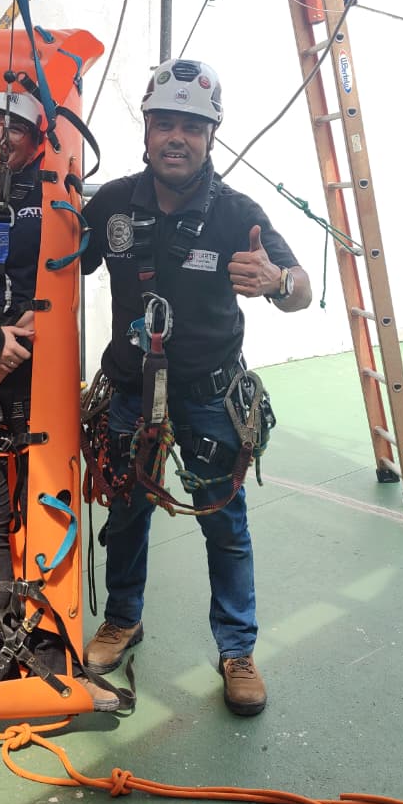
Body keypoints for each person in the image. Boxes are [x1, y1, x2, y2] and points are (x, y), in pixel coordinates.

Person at [81, 58, 312, 716]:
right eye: (164, 124)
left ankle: (237, 650)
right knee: (125, 510)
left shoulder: (240, 214)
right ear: (146, 129)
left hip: (210, 396)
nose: (175, 137)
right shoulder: (113, 204)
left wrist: (278, 282)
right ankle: (123, 619)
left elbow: (303, 291)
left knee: (225, 526)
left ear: (211, 137)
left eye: (191, 127)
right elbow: (64, 261)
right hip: (131, 389)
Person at [0, 90, 119, 712]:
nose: (0, 135)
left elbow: (65, 273)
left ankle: (42, 628)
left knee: (39, 490)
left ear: (38, 140)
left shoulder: (48, 201)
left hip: (35, 366)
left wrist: (26, 338)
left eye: (17, 127)